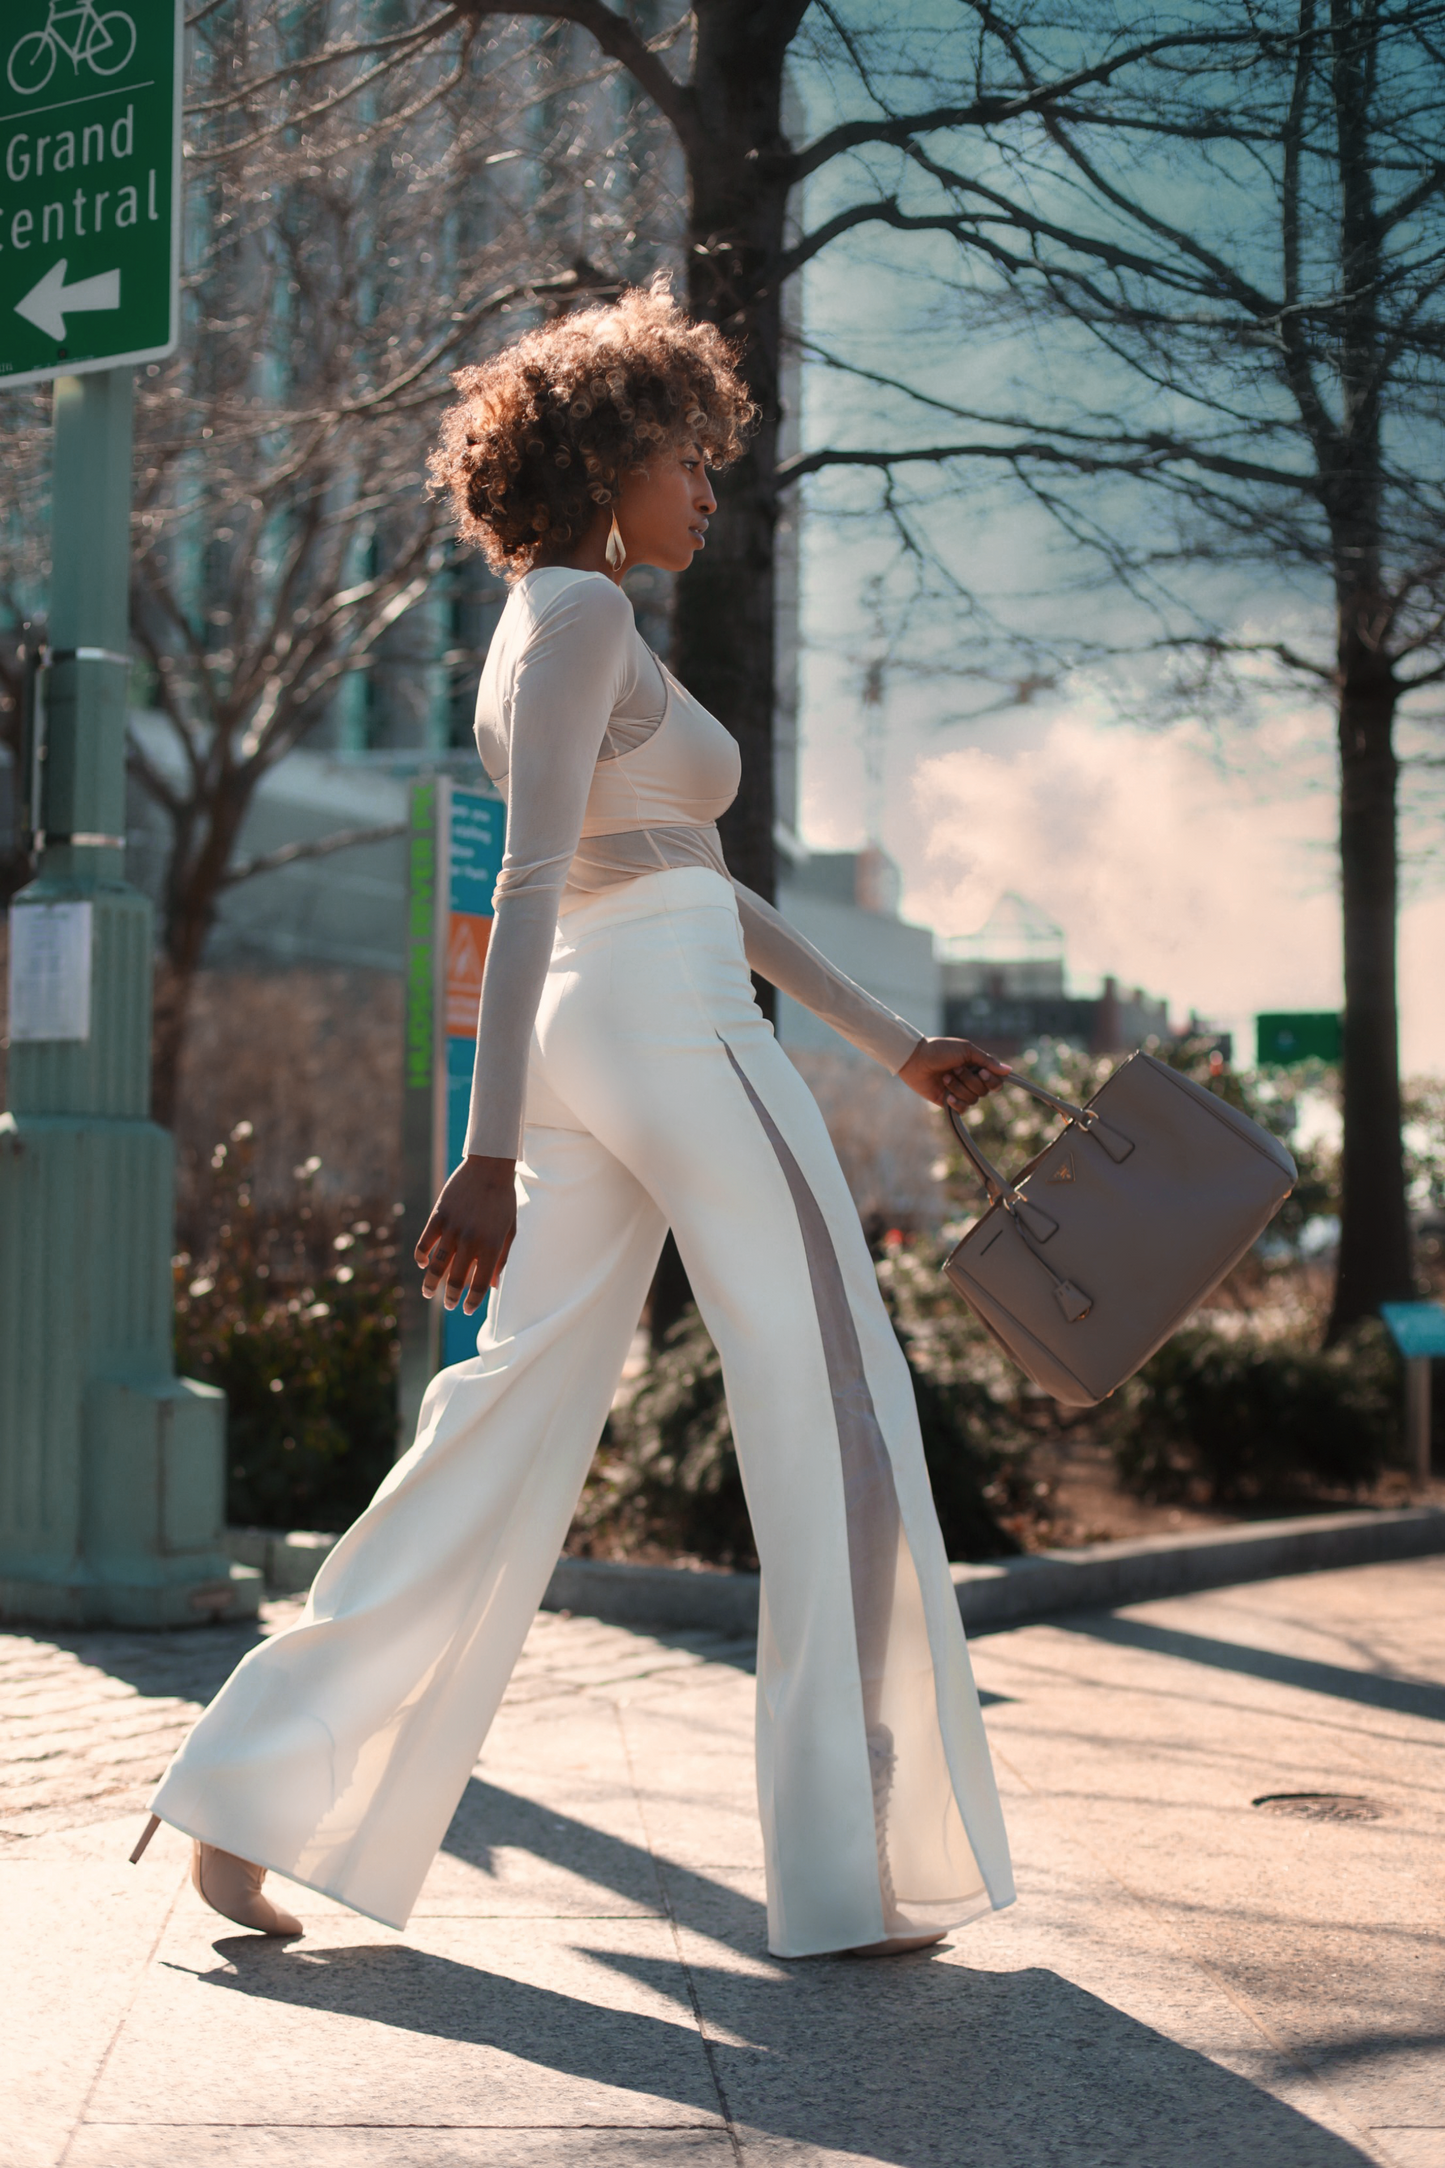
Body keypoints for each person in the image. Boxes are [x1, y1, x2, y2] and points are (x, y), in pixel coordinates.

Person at [133, 282, 1016, 1960]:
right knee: (836, 1404)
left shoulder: (559, 626)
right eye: (688, 455)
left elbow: (692, 878)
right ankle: (852, 1865)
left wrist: (894, 1044)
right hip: (661, 1029)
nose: (708, 487)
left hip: (611, 1024)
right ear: (611, 455)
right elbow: (531, 874)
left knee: (508, 1409)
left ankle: (244, 1793)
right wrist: (480, 1145)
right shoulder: (583, 623)